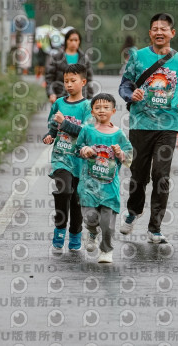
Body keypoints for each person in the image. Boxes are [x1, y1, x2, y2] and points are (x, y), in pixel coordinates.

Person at [118, 13, 178, 243]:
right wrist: (131, 94)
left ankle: (155, 228)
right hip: (140, 125)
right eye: (155, 29)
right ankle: (134, 211)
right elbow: (124, 85)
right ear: (150, 33)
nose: (159, 32)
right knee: (138, 176)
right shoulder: (137, 57)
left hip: (168, 127)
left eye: (164, 28)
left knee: (161, 175)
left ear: (173, 33)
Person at [75, 93, 133, 263]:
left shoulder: (119, 134)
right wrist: (84, 149)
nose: (102, 111)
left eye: (106, 107)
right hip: (88, 186)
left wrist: (119, 153)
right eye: (97, 108)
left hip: (109, 187)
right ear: (92, 111)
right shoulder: (87, 130)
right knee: (90, 218)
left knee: (107, 224)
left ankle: (106, 250)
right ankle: (92, 232)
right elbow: (77, 147)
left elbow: (129, 156)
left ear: (113, 111)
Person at [43, 64, 92, 251]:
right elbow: (53, 125)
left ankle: (75, 232)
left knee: (77, 199)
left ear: (83, 82)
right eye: (66, 81)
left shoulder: (87, 107)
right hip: (61, 158)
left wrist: (65, 124)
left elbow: (86, 133)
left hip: (81, 161)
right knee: (64, 191)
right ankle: (60, 227)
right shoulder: (59, 104)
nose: (69, 85)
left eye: (73, 81)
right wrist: (50, 135)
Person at [45, 29, 94, 103]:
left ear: (79, 41)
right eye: (71, 40)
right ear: (66, 41)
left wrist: (90, 98)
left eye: (76, 40)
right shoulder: (57, 57)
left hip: (80, 99)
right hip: (60, 98)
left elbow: (89, 79)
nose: (73, 43)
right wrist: (51, 93)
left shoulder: (84, 59)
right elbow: (49, 79)